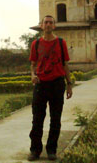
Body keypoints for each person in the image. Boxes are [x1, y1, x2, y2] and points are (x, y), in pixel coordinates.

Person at [28, 15, 73, 161]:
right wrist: (32, 76)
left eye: (50, 22)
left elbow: (65, 64)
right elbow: (33, 64)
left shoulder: (61, 43)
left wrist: (69, 84)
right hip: (41, 84)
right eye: (45, 22)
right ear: (41, 25)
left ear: (54, 26)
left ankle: (51, 150)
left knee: (55, 119)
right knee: (37, 119)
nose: (47, 25)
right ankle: (35, 150)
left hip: (57, 84)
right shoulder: (35, 44)